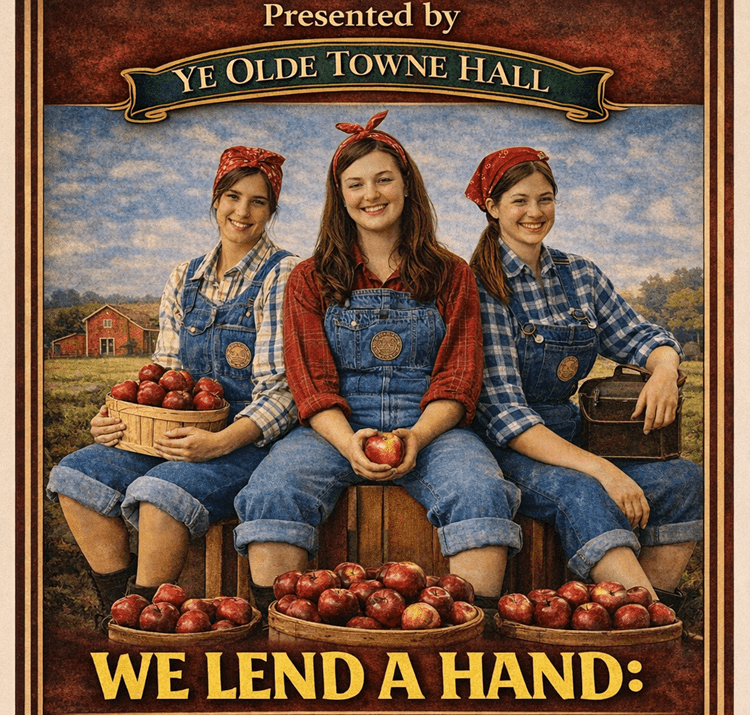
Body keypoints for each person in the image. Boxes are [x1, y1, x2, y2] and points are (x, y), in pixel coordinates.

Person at [233, 112, 519, 614]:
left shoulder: (452, 274)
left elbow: (458, 377)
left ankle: (479, 629)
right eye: (356, 184)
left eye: (384, 179)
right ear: (339, 196)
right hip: (334, 423)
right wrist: (348, 442)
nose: (372, 194)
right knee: (273, 489)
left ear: (407, 186)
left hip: (430, 422)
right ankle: (278, 627)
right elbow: (310, 381)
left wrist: (418, 436)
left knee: (482, 490)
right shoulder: (310, 277)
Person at [47, 145, 298, 618]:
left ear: (272, 210)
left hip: (246, 436)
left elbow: (282, 393)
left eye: (258, 201)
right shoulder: (185, 276)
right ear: (215, 200)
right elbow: (162, 375)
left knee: (159, 496)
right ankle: (116, 611)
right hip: (178, 430)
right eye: (231, 196)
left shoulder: (282, 273)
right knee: (76, 477)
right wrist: (118, 416)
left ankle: (148, 617)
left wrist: (219, 442)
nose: (241, 211)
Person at [465, 146, 703, 606]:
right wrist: (603, 469)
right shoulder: (478, 284)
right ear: (492, 208)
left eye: (545, 199)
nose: (534, 212)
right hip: (506, 445)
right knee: (583, 488)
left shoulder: (581, 275)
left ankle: (656, 606)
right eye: (519, 200)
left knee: (682, 479)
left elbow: (639, 335)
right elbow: (506, 414)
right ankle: (643, 615)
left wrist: (664, 370)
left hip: (573, 431)